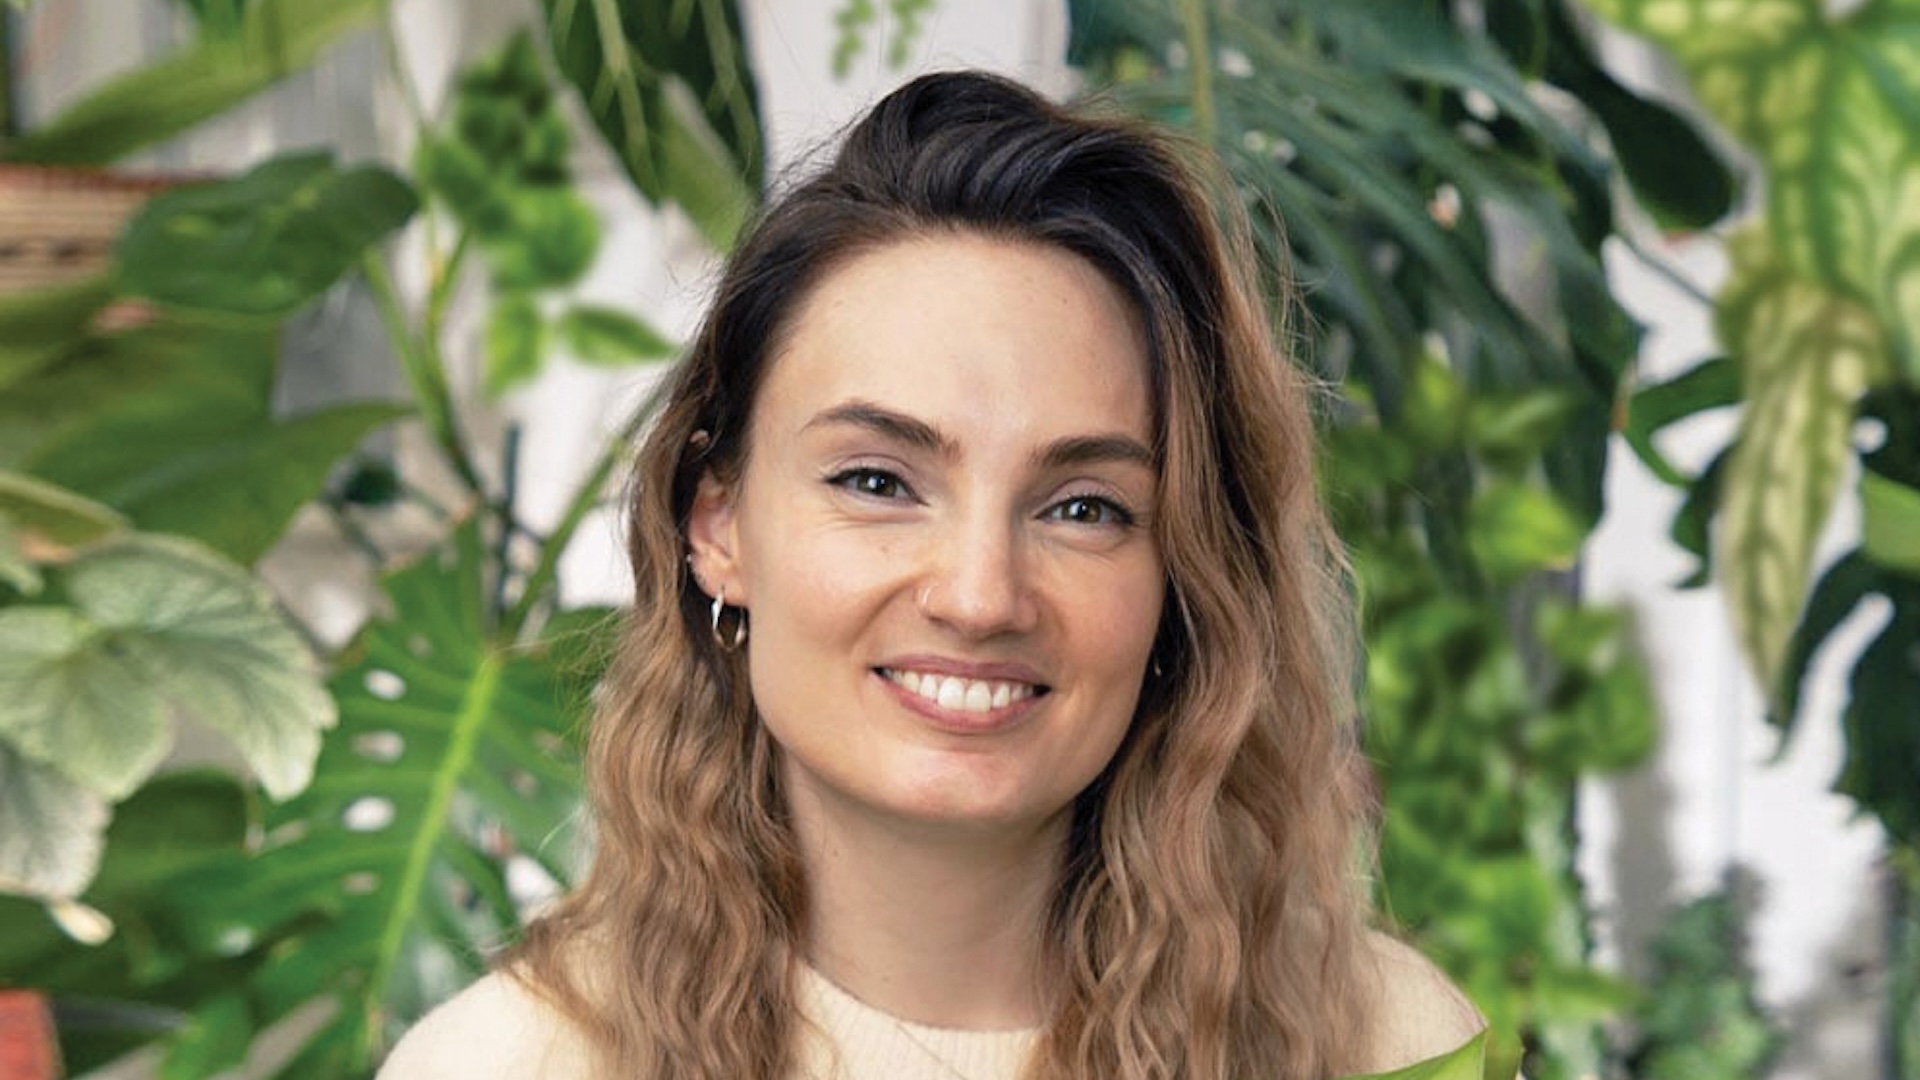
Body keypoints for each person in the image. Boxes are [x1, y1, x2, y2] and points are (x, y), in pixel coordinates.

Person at [379, 70, 1487, 1080]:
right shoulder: (505, 1065)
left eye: (1084, 507)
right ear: (717, 524)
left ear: (1183, 582)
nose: (978, 595)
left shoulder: (1388, 1045)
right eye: (876, 481)